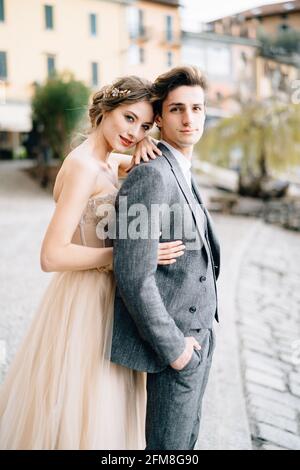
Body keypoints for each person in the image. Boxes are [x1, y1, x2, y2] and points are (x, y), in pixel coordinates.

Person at [0, 75, 185, 450]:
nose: (134, 132)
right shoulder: (85, 166)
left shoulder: (102, 162)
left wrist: (144, 142)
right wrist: (130, 256)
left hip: (106, 294)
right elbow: (51, 255)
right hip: (86, 302)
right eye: (128, 118)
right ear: (104, 110)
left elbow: (115, 168)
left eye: (145, 125)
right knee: (86, 408)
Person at [111, 66, 221, 450]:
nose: (189, 118)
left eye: (196, 108)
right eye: (176, 109)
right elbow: (133, 275)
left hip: (200, 336)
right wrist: (175, 350)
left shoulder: (182, 170)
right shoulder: (152, 175)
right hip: (174, 347)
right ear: (159, 117)